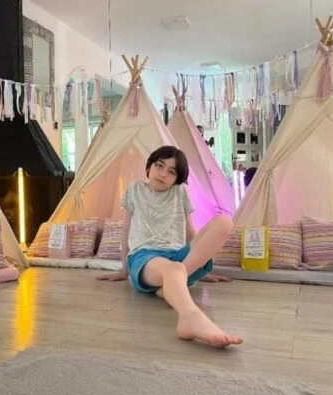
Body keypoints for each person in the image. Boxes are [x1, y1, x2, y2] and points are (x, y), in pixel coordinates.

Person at [97, 145, 243, 348]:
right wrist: (124, 270)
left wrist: (199, 265)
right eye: (160, 166)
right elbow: (127, 229)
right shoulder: (135, 189)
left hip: (178, 255)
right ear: (149, 167)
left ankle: (168, 288)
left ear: (177, 178)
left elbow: (190, 231)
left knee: (224, 222)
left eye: (172, 172)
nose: (163, 174)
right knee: (174, 269)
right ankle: (189, 317)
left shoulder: (179, 192)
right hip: (145, 257)